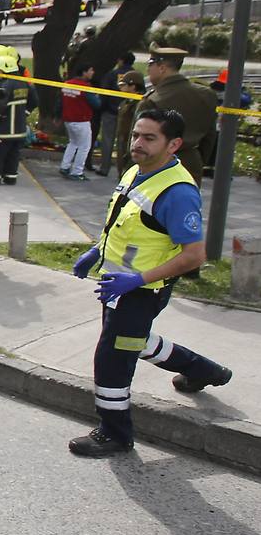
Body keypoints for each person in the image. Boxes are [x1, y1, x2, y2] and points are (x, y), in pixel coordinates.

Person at [67, 108, 233, 458]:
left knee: (113, 359)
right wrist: (96, 251)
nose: (137, 144)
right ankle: (205, 371)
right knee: (133, 342)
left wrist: (136, 280)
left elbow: (194, 255)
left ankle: (114, 434)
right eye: (136, 135)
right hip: (119, 287)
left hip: (141, 291)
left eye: (149, 138)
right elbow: (124, 225)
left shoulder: (177, 192)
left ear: (173, 144)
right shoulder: (136, 170)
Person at [136, 46, 218, 183]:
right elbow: (210, 135)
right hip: (192, 163)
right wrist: (198, 158)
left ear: (162, 68)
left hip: (156, 165)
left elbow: (138, 144)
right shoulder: (206, 94)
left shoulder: (152, 101)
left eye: (150, 65)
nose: (148, 70)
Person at [0, 53, 35, 186]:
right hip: (20, 129)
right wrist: (25, 112)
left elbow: (0, 106)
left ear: (6, 69)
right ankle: (10, 176)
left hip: (5, 129)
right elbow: (34, 100)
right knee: (13, 154)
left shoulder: (6, 85)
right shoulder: (24, 83)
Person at [93, 52, 135, 176]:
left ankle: (104, 168)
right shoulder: (135, 75)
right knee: (124, 142)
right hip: (129, 113)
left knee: (107, 140)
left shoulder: (112, 74)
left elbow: (104, 93)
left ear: (121, 60)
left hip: (110, 112)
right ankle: (123, 171)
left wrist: (102, 108)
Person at [60, 62, 100, 181]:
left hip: (68, 119)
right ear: (84, 72)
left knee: (73, 143)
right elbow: (97, 104)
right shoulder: (85, 87)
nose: (92, 73)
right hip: (81, 120)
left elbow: (60, 102)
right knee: (84, 146)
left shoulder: (66, 84)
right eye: (90, 70)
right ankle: (77, 172)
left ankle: (65, 166)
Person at [114, 70, 146, 175]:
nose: (121, 88)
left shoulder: (140, 104)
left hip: (132, 142)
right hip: (122, 140)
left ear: (133, 86)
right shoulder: (125, 102)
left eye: (124, 85)